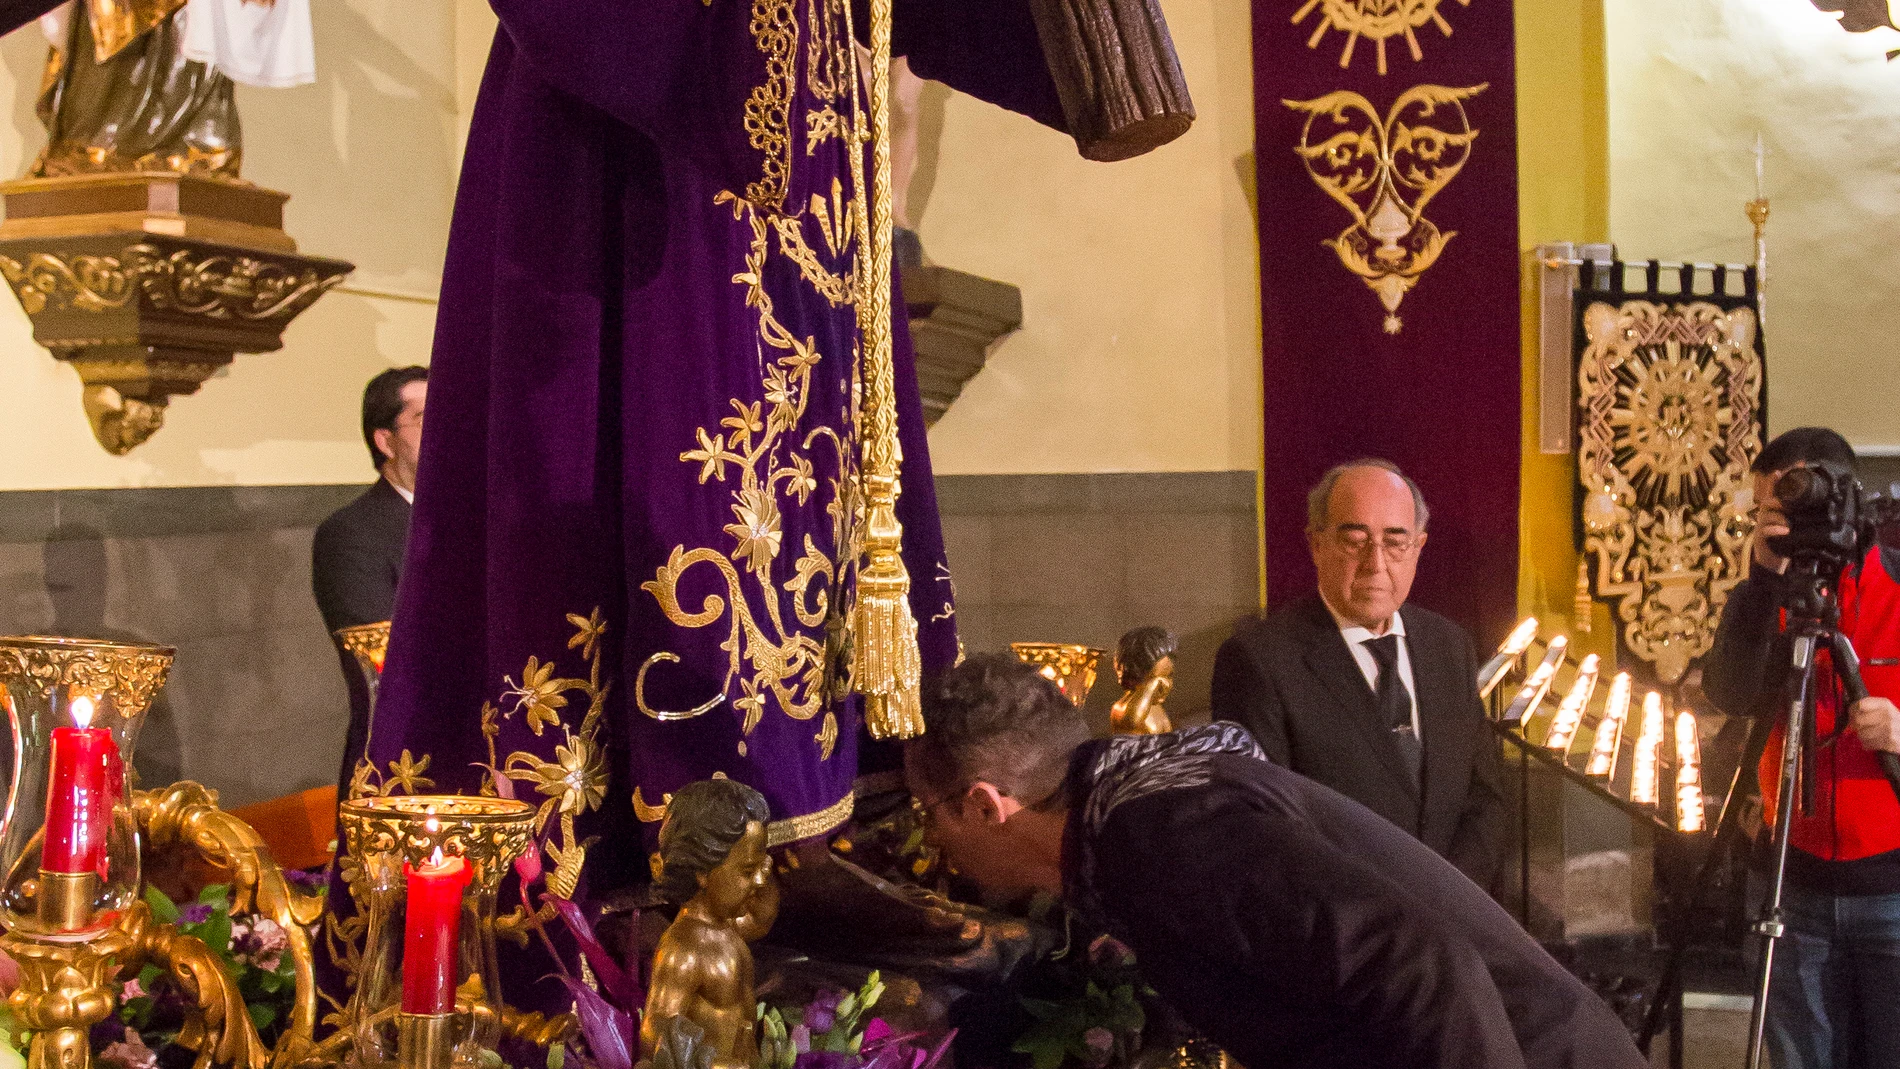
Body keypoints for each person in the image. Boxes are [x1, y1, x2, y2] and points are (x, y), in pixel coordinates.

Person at [905, 654, 1645, 1069]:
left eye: (924, 811)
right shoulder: (1139, 803)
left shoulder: (1161, 830)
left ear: (982, 804)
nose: (928, 841)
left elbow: (1423, 963)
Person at [1210, 459, 1507, 891]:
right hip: (1345, 933)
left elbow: (1485, 799)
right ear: (1315, 544)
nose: (1376, 563)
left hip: (1455, 923)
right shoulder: (1260, 662)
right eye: (1355, 541)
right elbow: (1266, 833)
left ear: (1419, 547)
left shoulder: (1448, 646)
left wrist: (1449, 899)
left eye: (1395, 542)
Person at [1703, 426, 1900, 1069]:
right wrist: (1761, 583)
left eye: (1792, 507)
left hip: (1891, 888)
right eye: (1764, 512)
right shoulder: (1771, 597)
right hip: (1793, 884)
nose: (1779, 526)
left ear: (1843, 499)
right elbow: (1731, 690)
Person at [311, 365, 426, 782]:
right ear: (385, 441)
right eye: (424, 417)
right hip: (402, 762)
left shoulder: (475, 522)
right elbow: (384, 660)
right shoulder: (351, 533)